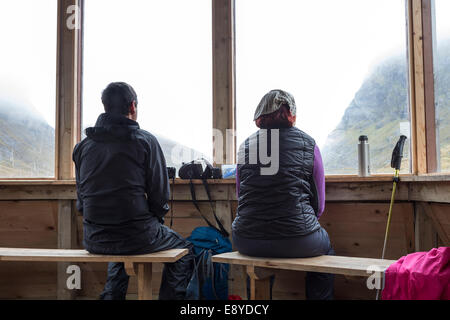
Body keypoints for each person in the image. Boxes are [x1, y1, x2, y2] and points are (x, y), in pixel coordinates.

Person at [73, 82, 194, 300]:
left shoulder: (83, 147)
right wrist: (154, 219)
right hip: (137, 235)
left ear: (105, 107)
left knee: (120, 242)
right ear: (133, 106)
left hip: (94, 238)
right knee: (184, 250)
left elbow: (81, 202)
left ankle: (112, 296)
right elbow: (160, 196)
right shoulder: (145, 141)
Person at [232, 89, 335, 300]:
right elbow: (320, 205)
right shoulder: (309, 144)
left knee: (256, 265)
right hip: (298, 239)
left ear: (259, 115)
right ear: (292, 115)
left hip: (246, 239)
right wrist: (299, 226)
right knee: (327, 253)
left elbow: (240, 195)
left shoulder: (245, 146)